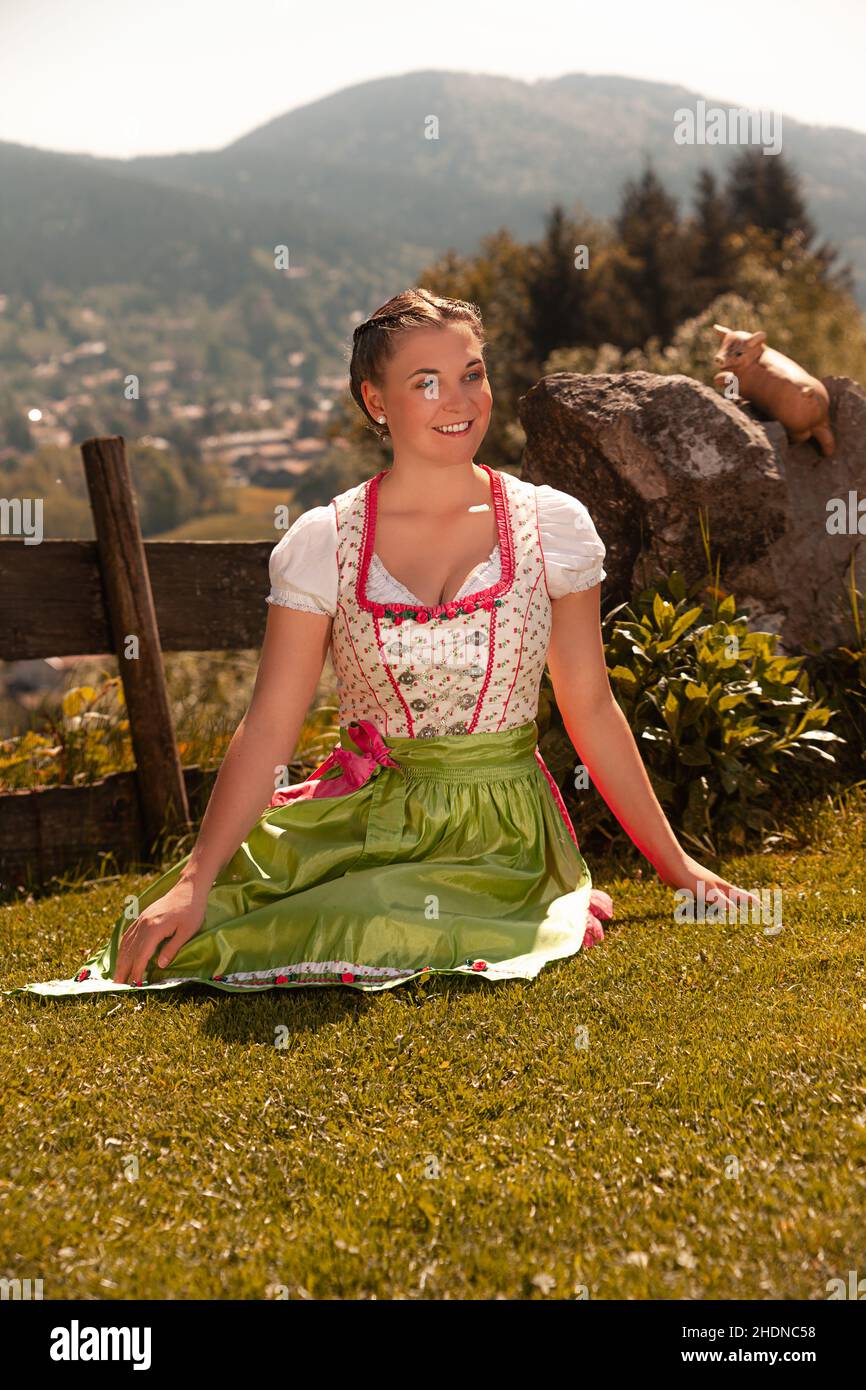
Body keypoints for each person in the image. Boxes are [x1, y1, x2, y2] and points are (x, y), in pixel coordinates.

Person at [11, 288, 758, 999]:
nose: (460, 401)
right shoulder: (325, 540)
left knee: (370, 917)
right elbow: (270, 724)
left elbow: (590, 705)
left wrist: (679, 868)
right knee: (234, 919)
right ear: (377, 401)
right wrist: (195, 880)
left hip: (496, 828)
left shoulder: (551, 527)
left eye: (472, 374)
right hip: (366, 816)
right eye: (426, 382)